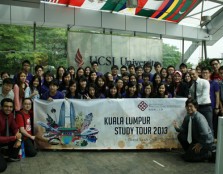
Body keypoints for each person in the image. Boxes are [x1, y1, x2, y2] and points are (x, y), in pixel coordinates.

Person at [0, 98, 22, 172]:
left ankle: (8, 155)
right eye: (6, 106)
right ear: (1, 107)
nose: (8, 109)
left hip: (4, 138)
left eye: (10, 107)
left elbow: (15, 128)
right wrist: (14, 137)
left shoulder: (11, 115)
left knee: (19, 138)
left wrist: (18, 139)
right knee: (2, 168)